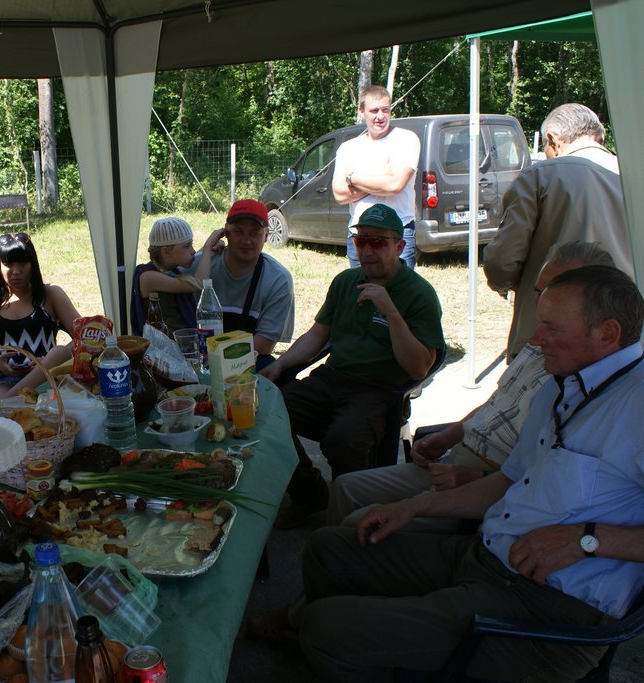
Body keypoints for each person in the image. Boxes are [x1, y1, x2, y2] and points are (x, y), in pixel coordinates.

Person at [295, 265, 644, 682]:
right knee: (328, 550)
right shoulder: (560, 384)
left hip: (550, 612)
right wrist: (411, 508)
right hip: (486, 559)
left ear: (607, 334)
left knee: (325, 628)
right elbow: (508, 481)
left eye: (551, 328)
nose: (535, 339)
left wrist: (586, 540)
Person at [327, 241, 616, 532]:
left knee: (359, 526)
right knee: (345, 487)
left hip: (487, 483)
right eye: (539, 291)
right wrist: (446, 437)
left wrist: (474, 478)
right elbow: (497, 402)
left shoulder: (588, 383)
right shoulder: (539, 341)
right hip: (456, 458)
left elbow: (543, 483)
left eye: (556, 292)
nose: (542, 304)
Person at [260, 203, 443, 529]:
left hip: (378, 390)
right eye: (361, 241)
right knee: (265, 415)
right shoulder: (346, 281)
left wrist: (390, 312)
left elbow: (419, 368)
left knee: (343, 441)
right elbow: (318, 334)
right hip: (331, 379)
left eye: (378, 242)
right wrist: (281, 364)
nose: (368, 251)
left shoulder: (418, 294)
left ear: (399, 246)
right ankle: (310, 494)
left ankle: (348, 520)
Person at [483, 103, 632, 362]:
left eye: (545, 147)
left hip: (550, 332)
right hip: (622, 330)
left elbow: (503, 261)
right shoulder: (632, 173)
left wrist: (502, 283)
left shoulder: (539, 176)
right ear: (599, 137)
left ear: (553, 140)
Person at [0, 232, 80, 398]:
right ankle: (10, 400)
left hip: (46, 375)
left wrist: (48, 360)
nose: (16, 271)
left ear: (33, 264)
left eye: (22, 263)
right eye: (8, 264)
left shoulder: (50, 295)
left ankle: (7, 403)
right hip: (3, 378)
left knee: (59, 352)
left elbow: (86, 335)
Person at [198, 198, 294, 370]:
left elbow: (265, 344)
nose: (246, 240)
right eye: (238, 231)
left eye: (255, 233)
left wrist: (216, 360)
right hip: (197, 358)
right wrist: (205, 248)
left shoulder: (278, 280)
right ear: (225, 232)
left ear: (266, 236)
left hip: (244, 361)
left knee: (268, 364)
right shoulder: (202, 265)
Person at [332, 84, 420, 269]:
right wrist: (383, 175)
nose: (380, 116)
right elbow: (339, 195)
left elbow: (395, 185)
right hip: (359, 235)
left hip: (398, 232)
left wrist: (352, 178)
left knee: (399, 287)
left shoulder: (406, 139)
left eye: (385, 110)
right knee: (361, 287)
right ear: (361, 111)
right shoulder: (348, 148)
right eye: (374, 110)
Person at [129, 217, 224, 335]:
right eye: (187, 246)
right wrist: (208, 246)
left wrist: (211, 248)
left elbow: (195, 256)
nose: (193, 251)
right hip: (165, 346)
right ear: (166, 252)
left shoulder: (169, 269)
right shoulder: (148, 277)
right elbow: (200, 283)